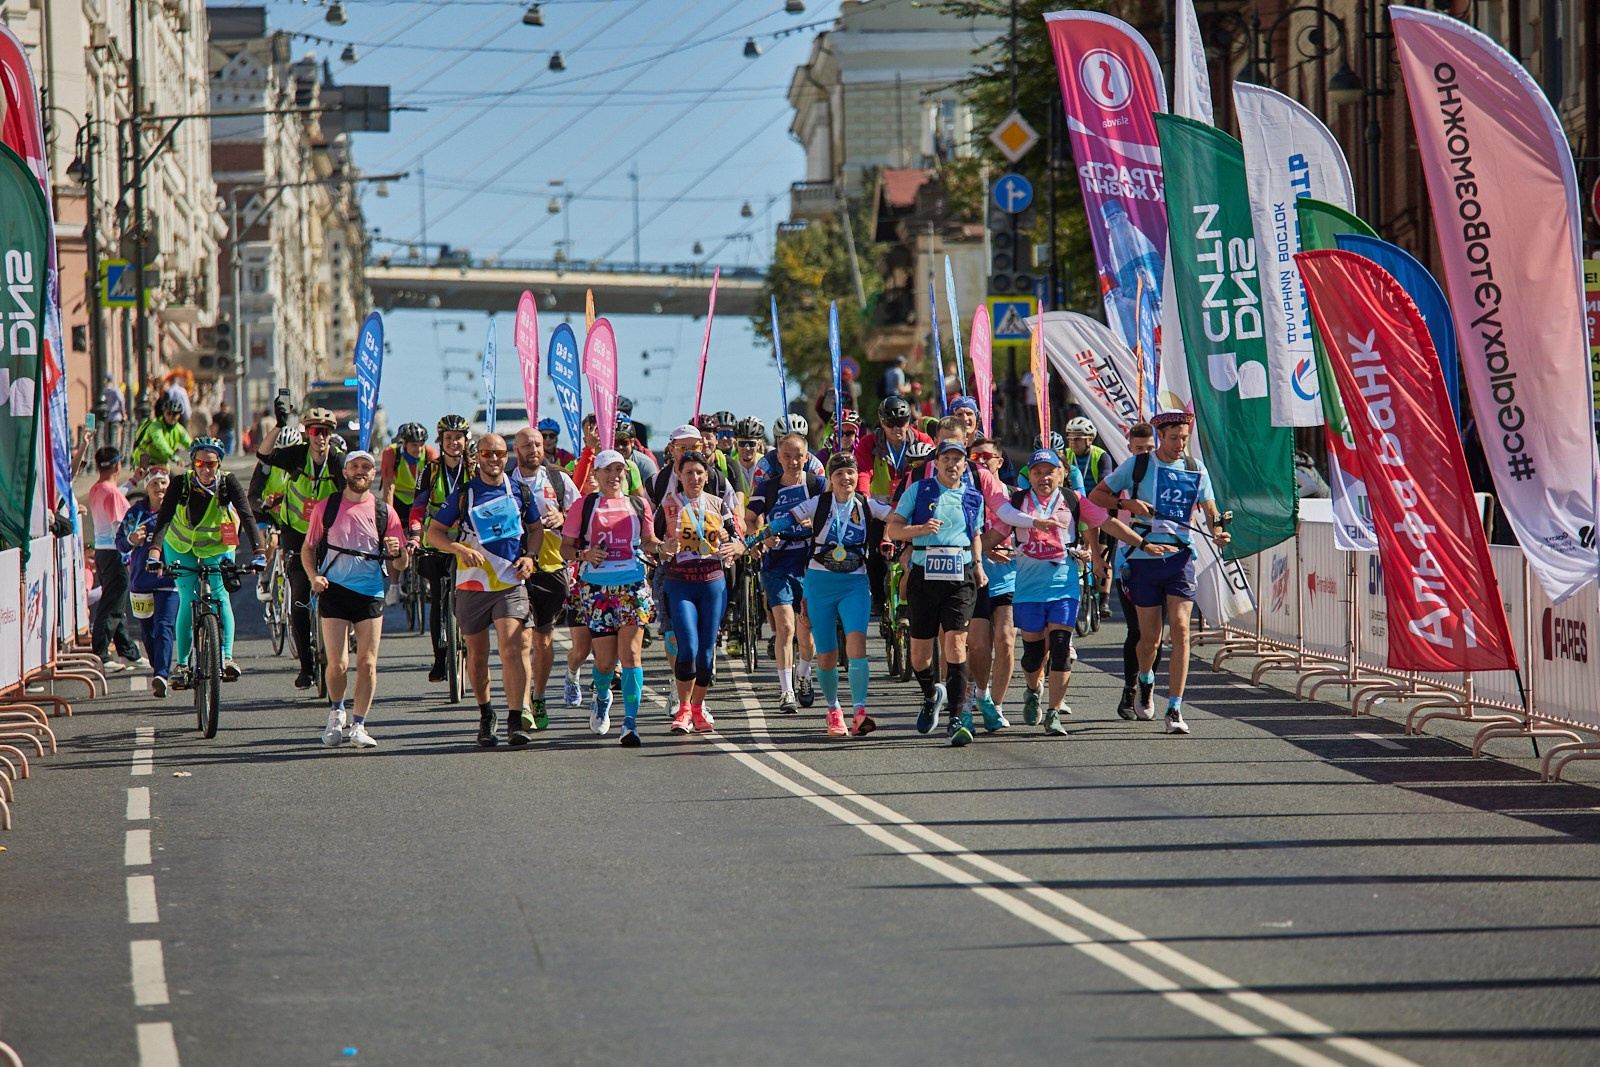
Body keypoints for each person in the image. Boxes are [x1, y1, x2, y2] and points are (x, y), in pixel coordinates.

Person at [1088, 410, 1226, 735]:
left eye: (1184, 438)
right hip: (1143, 557)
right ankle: (1146, 679)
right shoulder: (1138, 466)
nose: (1180, 444)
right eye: (1174, 438)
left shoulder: (1195, 468)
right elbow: (1096, 496)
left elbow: (1211, 511)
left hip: (1180, 558)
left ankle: (1175, 708)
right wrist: (1128, 505)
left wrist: (1219, 531)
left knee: (1181, 628)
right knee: (1149, 638)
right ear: (1159, 437)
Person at [762, 451, 893, 736]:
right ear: (831, 479)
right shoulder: (818, 503)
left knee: (857, 647)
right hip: (820, 584)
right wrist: (761, 535)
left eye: (850, 472)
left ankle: (859, 711)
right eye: (839, 474)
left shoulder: (866, 504)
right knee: (827, 654)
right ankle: (833, 710)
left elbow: (898, 516)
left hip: (854, 583)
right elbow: (787, 519)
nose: (846, 478)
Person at [426, 433, 541, 747]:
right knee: (477, 656)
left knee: (512, 649)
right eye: (487, 453)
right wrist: (458, 549)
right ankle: (486, 714)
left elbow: (535, 529)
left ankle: (515, 718)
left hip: (510, 583)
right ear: (477, 457)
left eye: (499, 454)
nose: (494, 459)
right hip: (472, 584)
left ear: (507, 456)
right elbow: (434, 533)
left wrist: (531, 557)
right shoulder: (465, 493)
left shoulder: (519, 491)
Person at [885, 439, 987, 746]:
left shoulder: (973, 496)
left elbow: (976, 534)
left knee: (955, 647)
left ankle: (956, 719)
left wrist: (979, 564)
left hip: (960, 576)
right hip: (924, 575)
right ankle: (931, 695)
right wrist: (920, 529)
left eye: (958, 459)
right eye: (947, 459)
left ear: (965, 465)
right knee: (919, 657)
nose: (952, 464)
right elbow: (894, 529)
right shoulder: (919, 490)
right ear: (937, 463)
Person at [305, 450, 408, 749]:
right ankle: (337, 711)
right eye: (354, 466)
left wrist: (398, 552)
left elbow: (401, 564)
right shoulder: (326, 507)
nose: (360, 471)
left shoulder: (385, 512)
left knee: (368, 663)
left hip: (370, 592)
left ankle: (359, 725)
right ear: (345, 472)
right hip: (334, 589)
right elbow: (308, 548)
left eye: (366, 467)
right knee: (338, 663)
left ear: (373, 474)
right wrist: (313, 577)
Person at [149, 437, 264, 686]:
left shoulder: (228, 482)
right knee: (188, 598)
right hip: (180, 545)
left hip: (217, 545)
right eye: (200, 463)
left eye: (211, 464)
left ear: (219, 464)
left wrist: (259, 552)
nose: (206, 469)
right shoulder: (180, 483)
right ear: (193, 463)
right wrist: (155, 553)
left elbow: (246, 515)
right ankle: (182, 664)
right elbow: (164, 518)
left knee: (221, 596)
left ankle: (227, 657)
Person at [562, 450, 658, 746]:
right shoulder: (584, 506)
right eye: (608, 470)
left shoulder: (638, 504)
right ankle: (602, 697)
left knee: (631, 656)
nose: (614, 475)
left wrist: (664, 546)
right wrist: (585, 554)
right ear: (597, 474)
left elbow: (649, 541)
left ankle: (629, 723)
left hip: (632, 587)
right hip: (597, 590)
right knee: (605, 663)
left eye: (619, 470)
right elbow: (565, 548)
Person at [994, 449, 1092, 735]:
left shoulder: (1073, 500)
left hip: (1064, 586)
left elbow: (1099, 524)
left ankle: (1053, 713)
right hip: (1028, 589)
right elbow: (996, 532)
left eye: (1050, 472)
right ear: (1029, 476)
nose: (1044, 477)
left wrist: (1090, 553)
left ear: (1061, 474)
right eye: (1037, 472)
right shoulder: (1017, 503)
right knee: (1033, 657)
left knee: (1061, 649)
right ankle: (1033, 688)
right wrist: (978, 551)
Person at [654, 449, 743, 733]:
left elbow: (738, 541)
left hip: (712, 584)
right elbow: (651, 542)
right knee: (688, 647)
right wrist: (663, 548)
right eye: (689, 472)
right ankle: (682, 709)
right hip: (680, 583)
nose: (694, 477)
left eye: (699, 472)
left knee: (706, 654)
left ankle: (697, 708)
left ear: (707, 476)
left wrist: (731, 542)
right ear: (679, 476)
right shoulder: (668, 505)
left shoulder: (718, 504)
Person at [258, 404, 346, 690]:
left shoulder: (338, 461)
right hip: (296, 531)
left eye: (326, 433)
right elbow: (264, 455)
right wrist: (279, 425)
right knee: (299, 593)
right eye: (316, 432)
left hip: (328, 532)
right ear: (307, 433)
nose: (321, 437)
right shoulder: (296, 455)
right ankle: (306, 667)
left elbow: (355, 491)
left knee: (338, 588)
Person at [747, 431, 823, 714]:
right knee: (786, 627)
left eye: (798, 456)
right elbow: (749, 519)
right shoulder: (767, 488)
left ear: (806, 457)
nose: (792, 462)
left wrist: (815, 524)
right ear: (778, 458)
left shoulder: (817, 485)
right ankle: (786, 691)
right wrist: (762, 538)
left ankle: (803, 672)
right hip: (778, 563)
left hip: (810, 562)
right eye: (787, 456)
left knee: (807, 631)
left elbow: (834, 515)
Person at [512, 426, 580, 731]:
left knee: (543, 639)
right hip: (516, 569)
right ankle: (523, 703)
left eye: (538, 444)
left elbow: (581, 515)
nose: (534, 450)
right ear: (517, 450)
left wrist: (563, 518)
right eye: (527, 445)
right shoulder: (507, 481)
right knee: (522, 639)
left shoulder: (558, 479)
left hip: (553, 568)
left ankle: (538, 696)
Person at [1104, 423, 1164, 717]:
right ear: (1129, 448)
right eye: (1139, 448)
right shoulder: (1127, 471)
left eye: (1150, 448)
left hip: (1163, 559)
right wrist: (1126, 503)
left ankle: (1146, 684)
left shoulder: (1167, 473)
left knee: (1155, 633)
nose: (1145, 453)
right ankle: (1129, 689)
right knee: (1137, 630)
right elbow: (1099, 509)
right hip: (1128, 562)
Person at [854, 396, 934, 614]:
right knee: (874, 552)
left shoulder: (923, 440)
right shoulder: (869, 443)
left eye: (902, 422)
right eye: (891, 423)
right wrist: (863, 497)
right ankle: (878, 597)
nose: (897, 428)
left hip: (912, 506)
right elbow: (863, 472)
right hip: (881, 508)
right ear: (882, 423)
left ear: (909, 421)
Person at [410, 414, 473, 682]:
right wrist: (414, 537)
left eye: (458, 437)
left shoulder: (474, 468)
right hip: (436, 542)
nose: (453, 442)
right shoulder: (431, 470)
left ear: (466, 441)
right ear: (441, 440)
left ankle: (471, 646)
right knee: (437, 600)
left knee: (470, 599)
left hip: (468, 543)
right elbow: (417, 508)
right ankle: (439, 659)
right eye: (448, 438)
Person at [967, 439, 1016, 732]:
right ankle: (979, 692)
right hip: (975, 577)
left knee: (1006, 639)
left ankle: (996, 705)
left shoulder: (1012, 496)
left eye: (988, 456)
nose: (982, 460)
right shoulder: (966, 492)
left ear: (1000, 461)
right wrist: (984, 548)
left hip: (1008, 575)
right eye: (976, 456)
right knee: (979, 645)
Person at [117, 471, 177, 697]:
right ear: (146, 487)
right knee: (148, 633)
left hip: (169, 579)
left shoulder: (177, 511)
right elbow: (120, 543)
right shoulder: (136, 513)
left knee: (164, 626)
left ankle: (161, 674)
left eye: (163, 482)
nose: (159, 487)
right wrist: (131, 539)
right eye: (154, 483)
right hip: (141, 581)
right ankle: (157, 666)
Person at [87, 446, 146, 672]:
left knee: (117, 602)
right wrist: (128, 555)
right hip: (115, 553)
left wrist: (133, 481)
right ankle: (101, 654)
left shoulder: (97, 489)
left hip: (103, 552)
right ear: (118, 465)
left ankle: (128, 651)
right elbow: (118, 528)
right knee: (112, 605)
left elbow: (116, 493)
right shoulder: (112, 494)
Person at [1065, 416, 1115, 619]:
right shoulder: (1066, 455)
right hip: (1074, 507)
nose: (1073, 442)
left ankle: (1104, 598)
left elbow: (1105, 483)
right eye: (1070, 438)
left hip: (1097, 506)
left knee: (1102, 551)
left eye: (1077, 438)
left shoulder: (1101, 456)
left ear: (1090, 439)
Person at [381, 422, 438, 516]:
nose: (418, 449)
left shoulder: (430, 453)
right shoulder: (391, 453)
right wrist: (389, 517)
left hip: (421, 499)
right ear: (404, 444)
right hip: (398, 499)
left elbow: (435, 487)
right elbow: (388, 488)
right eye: (414, 445)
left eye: (421, 444)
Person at [128, 397, 193, 471]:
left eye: (175, 414)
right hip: (144, 458)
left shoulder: (178, 428)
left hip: (160, 461)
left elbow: (189, 442)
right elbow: (160, 443)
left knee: (170, 477)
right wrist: (174, 457)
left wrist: (198, 450)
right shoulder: (155, 426)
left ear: (179, 415)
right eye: (168, 413)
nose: (171, 417)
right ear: (164, 413)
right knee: (145, 476)